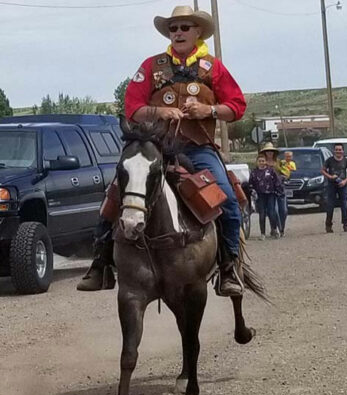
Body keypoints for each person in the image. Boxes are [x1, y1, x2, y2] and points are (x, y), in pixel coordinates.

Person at [77, 5, 247, 296]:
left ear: (197, 32)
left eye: (184, 27)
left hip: (198, 149)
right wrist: (160, 112)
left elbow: (237, 106)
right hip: (155, 147)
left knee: (228, 200)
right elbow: (132, 107)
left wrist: (207, 110)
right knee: (116, 192)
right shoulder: (151, 66)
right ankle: (100, 263)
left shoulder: (213, 68)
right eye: (173, 28)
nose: (178, 33)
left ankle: (229, 267)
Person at [249, 151, 282, 240]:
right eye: (260, 161)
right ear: (257, 162)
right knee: (262, 214)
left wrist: (278, 191)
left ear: (266, 161)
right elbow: (250, 184)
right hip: (260, 195)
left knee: (271, 213)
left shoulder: (271, 171)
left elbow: (276, 182)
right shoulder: (254, 172)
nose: (261, 163)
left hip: (270, 194)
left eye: (263, 161)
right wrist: (252, 192)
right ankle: (262, 233)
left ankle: (274, 229)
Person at [321, 143, 347, 233]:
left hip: (342, 185)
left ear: (343, 151)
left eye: (340, 150)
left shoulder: (346, 160)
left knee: (344, 205)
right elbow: (322, 170)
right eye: (336, 150)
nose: (338, 151)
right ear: (334, 151)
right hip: (331, 185)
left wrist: (345, 181)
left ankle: (346, 225)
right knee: (330, 205)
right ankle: (328, 225)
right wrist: (330, 177)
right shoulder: (329, 160)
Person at [276, 149, 296, 236]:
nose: (288, 158)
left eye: (290, 156)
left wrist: (284, 176)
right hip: (273, 189)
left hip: (283, 187)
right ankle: (276, 228)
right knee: (274, 211)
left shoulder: (290, 163)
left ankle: (282, 228)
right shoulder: (281, 162)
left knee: (284, 211)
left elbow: (292, 171)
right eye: (287, 156)